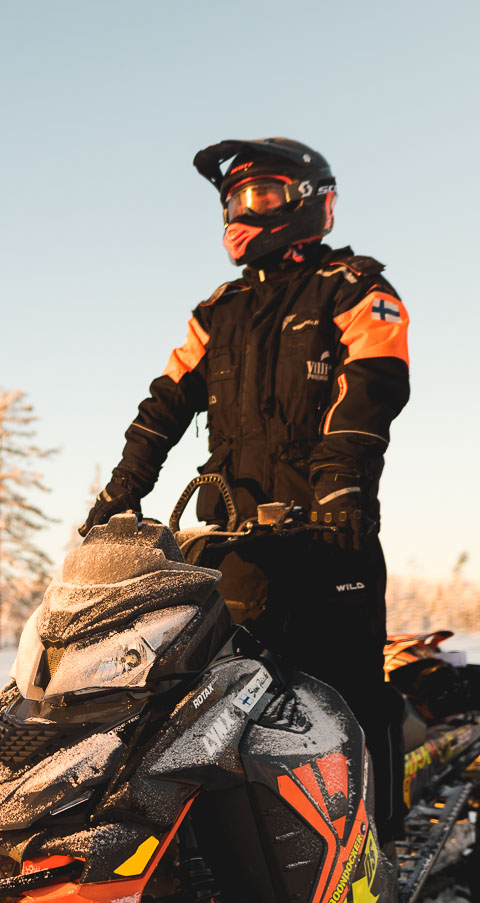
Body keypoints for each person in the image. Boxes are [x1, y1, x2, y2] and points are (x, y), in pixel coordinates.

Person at [82, 136, 410, 834]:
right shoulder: (218, 311)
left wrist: (340, 486)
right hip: (237, 541)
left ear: (309, 200)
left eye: (259, 195)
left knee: (343, 695)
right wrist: (122, 491)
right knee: (208, 695)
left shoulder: (355, 289)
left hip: (329, 534)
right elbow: (164, 404)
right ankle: (220, 846)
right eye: (235, 199)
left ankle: (372, 841)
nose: (243, 211)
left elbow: (371, 391)